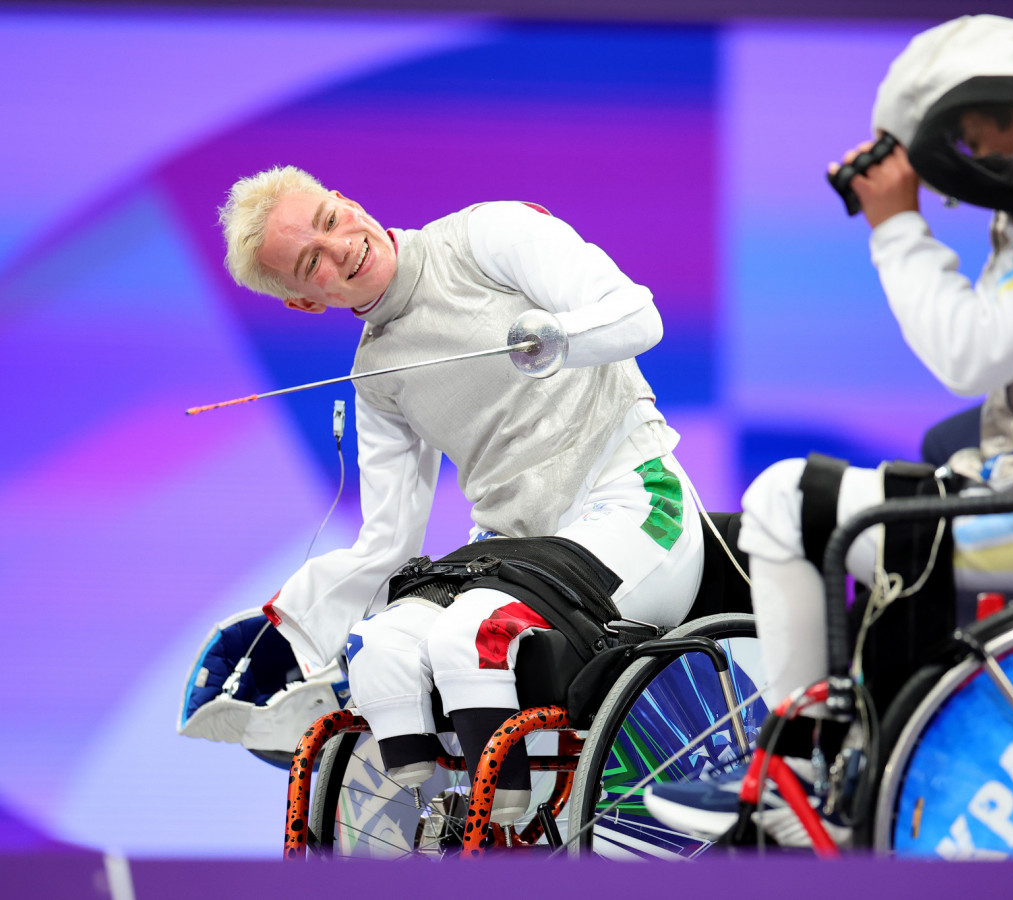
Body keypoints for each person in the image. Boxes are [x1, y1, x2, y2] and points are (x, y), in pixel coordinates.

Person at [645, 13, 1013, 848]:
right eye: (969, 140)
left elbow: (965, 351)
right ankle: (876, 731)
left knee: (784, 502)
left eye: (989, 132)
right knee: (930, 457)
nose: (984, 156)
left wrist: (896, 224)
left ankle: (796, 773)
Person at [193, 166, 704, 828]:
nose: (339, 247)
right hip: (525, 554)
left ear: (346, 200)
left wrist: (559, 340)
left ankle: (513, 818)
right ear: (304, 302)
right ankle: (473, 837)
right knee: (381, 649)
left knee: (475, 634)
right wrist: (292, 629)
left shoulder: (486, 235)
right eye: (310, 261)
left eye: (327, 220)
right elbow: (386, 542)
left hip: (635, 500)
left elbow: (639, 316)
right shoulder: (376, 380)